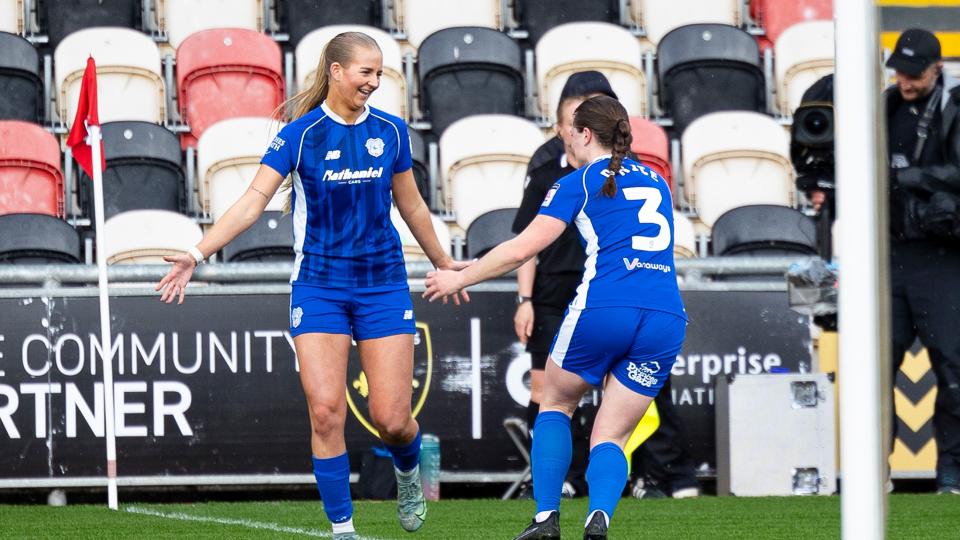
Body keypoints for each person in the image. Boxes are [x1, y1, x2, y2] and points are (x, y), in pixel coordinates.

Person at [155, 31, 469, 539]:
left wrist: (446, 264)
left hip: (383, 285)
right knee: (326, 411)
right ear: (337, 71)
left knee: (392, 419)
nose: (374, 80)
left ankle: (408, 472)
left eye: (379, 71)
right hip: (319, 287)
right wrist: (197, 253)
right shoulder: (299, 135)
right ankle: (342, 529)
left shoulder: (391, 132)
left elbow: (411, 206)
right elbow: (252, 202)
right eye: (365, 71)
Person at [425, 95, 687, 539]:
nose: (567, 142)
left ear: (585, 134)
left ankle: (547, 517)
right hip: (665, 317)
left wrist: (461, 277)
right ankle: (599, 516)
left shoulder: (578, 181)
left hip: (605, 308)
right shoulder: (657, 180)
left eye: (570, 134)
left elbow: (521, 248)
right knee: (612, 435)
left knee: (556, 402)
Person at [513, 71, 615, 498]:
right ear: (560, 128)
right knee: (545, 390)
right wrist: (524, 300)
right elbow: (524, 245)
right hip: (552, 293)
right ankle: (558, 479)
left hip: (604, 291)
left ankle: (628, 478)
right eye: (571, 121)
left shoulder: (617, 175)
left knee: (614, 390)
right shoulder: (544, 176)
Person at [884, 28, 960, 494]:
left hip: (943, 256)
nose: (904, 81)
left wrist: (909, 177)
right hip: (888, 254)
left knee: (953, 368)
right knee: (875, 368)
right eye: (899, 72)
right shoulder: (885, 105)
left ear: (937, 69)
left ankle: (951, 469)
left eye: (913, 74)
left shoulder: (955, 107)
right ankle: (875, 472)